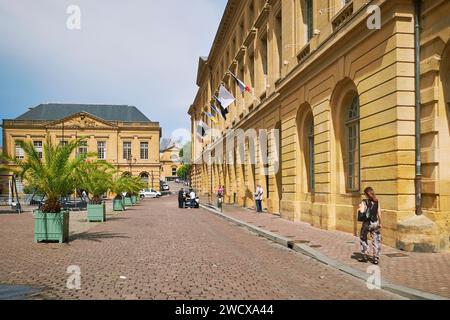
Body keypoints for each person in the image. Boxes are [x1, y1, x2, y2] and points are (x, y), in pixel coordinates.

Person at [358, 187, 382, 265]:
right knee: (376, 240)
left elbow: (361, 212)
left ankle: (364, 255)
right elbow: (379, 213)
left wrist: (359, 208)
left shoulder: (364, 202)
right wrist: (380, 223)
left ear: (366, 194)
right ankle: (376, 258)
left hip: (367, 223)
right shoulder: (377, 201)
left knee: (363, 238)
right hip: (375, 222)